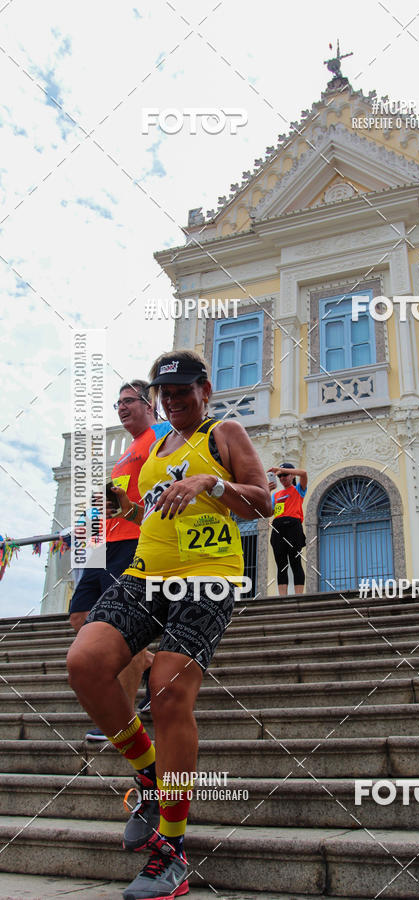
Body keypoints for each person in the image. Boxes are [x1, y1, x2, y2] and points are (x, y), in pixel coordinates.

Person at [66, 350, 271, 900]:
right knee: (85, 662)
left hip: (207, 577)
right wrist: (124, 508)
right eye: (165, 393)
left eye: (183, 391)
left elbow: (263, 503)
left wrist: (212, 483)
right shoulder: (156, 445)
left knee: (168, 693)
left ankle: (171, 851)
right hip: (146, 573)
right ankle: (150, 773)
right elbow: (157, 513)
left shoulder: (223, 432)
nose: (173, 401)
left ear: (204, 390)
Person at [69, 380, 170, 739]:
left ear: (149, 405)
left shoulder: (161, 434)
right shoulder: (128, 452)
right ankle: (150, 664)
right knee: (80, 615)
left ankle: (125, 720)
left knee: (126, 627)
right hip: (105, 544)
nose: (122, 408)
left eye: (129, 401)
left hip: (134, 543)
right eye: (118, 403)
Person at [268, 462, 308, 596]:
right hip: (278, 528)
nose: (282, 478)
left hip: (293, 527)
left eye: (285, 475)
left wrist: (280, 469)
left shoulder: (298, 489)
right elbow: (268, 511)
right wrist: (267, 491)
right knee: (281, 564)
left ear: (292, 475)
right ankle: (282, 598)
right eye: (280, 476)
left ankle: (299, 596)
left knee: (295, 562)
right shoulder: (276, 495)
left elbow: (304, 474)